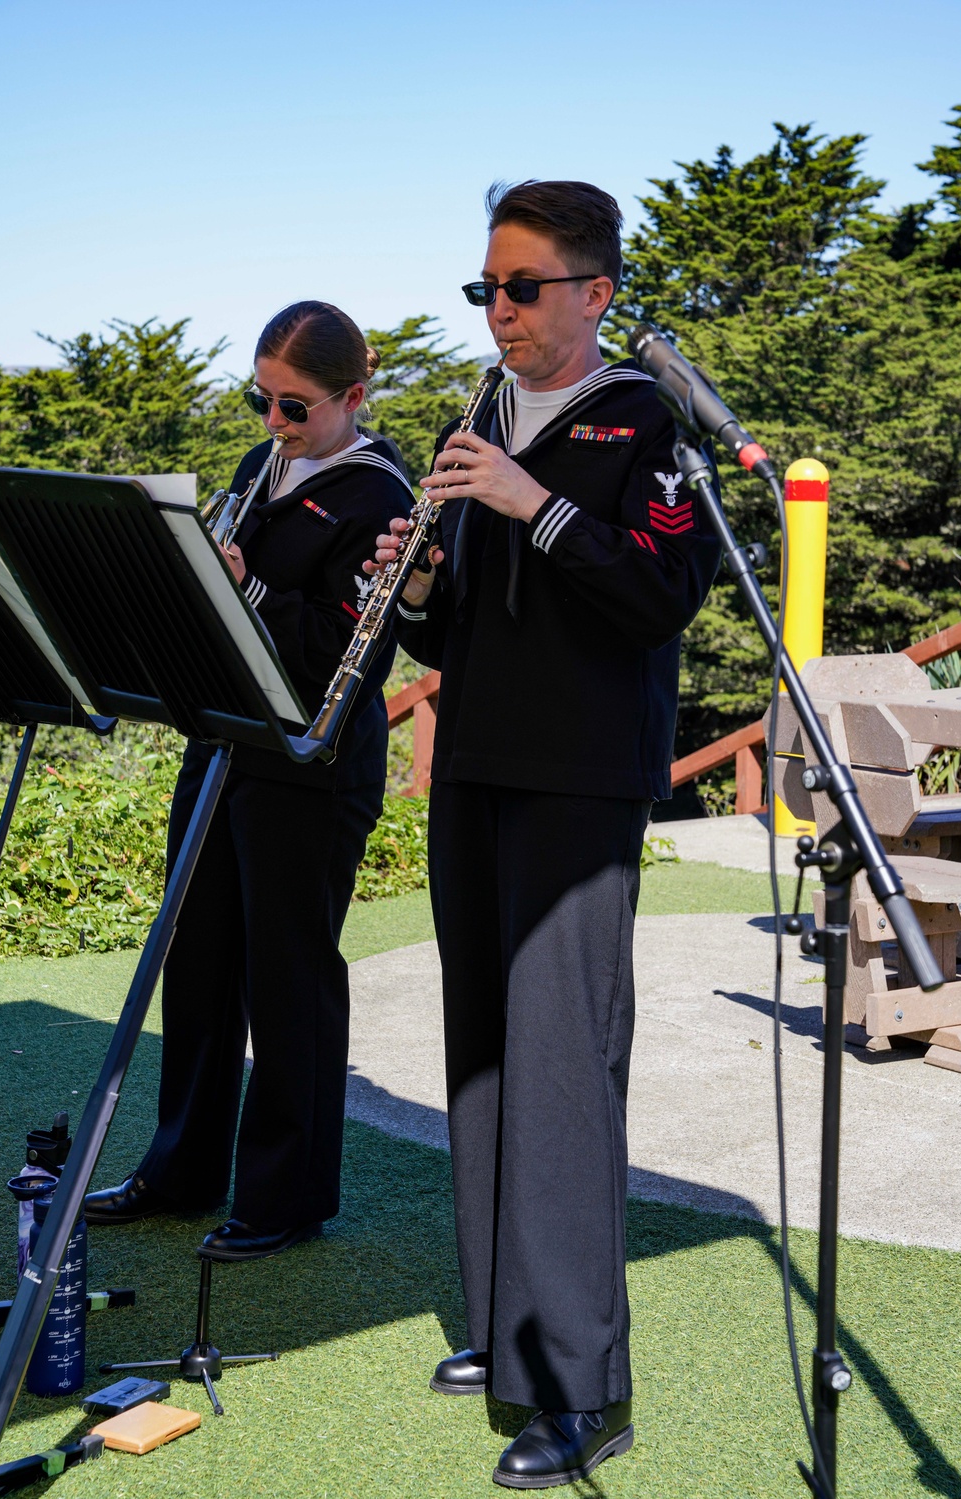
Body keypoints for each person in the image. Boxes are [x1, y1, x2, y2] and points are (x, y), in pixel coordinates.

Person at [369, 181, 722, 1487]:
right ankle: (504, 1326)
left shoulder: (646, 418)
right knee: (482, 1057)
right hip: (478, 768)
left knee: (565, 1071)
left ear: (595, 291)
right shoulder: (476, 412)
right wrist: (414, 578)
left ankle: (583, 1385)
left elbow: (659, 593)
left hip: (580, 782)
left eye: (522, 287)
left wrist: (536, 503)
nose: (499, 311)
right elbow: (446, 627)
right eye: (487, 289)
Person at [86, 301, 413, 1261]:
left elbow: (344, 645)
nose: (273, 423)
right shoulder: (258, 467)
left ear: (354, 397)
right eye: (260, 398)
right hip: (226, 739)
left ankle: (285, 1196)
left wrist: (246, 585)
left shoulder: (382, 496)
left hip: (309, 761)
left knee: (289, 978)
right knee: (199, 960)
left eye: (295, 407)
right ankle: (179, 1170)